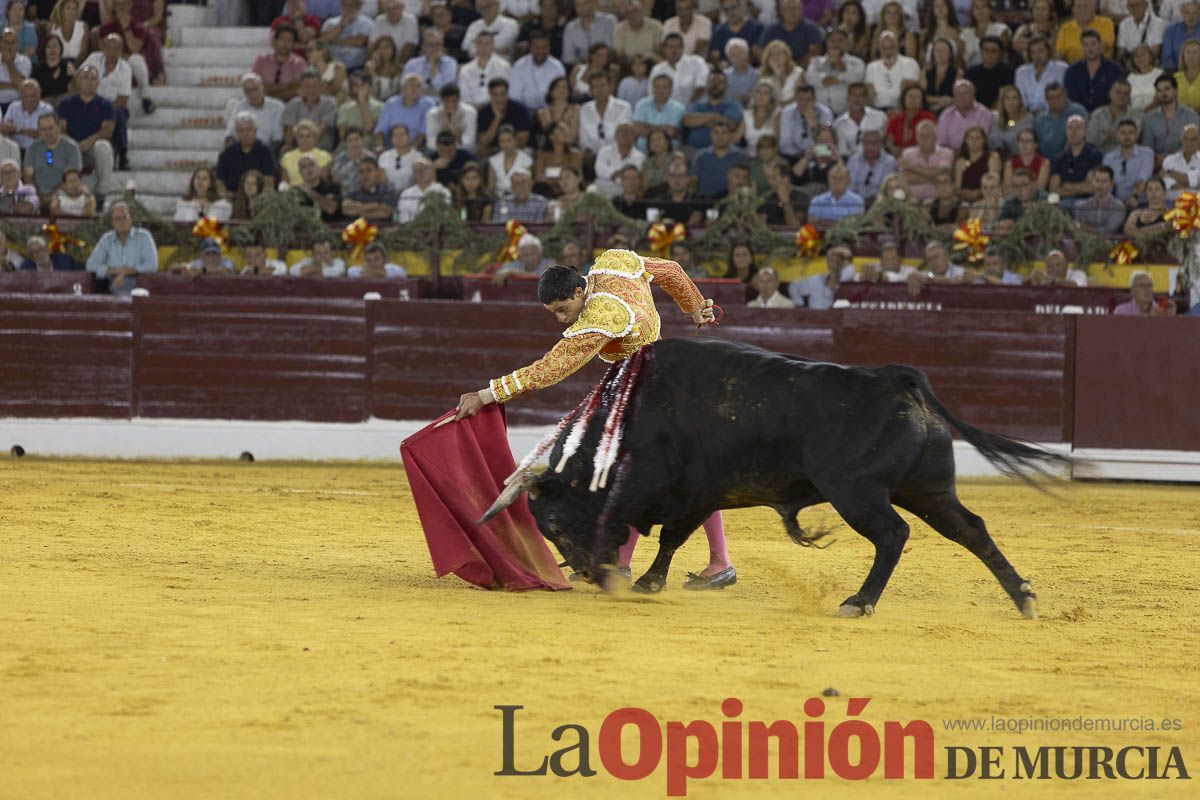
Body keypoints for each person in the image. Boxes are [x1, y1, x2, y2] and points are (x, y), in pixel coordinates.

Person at [452, 251, 735, 589]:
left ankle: (697, 563)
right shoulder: (613, 262)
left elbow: (550, 369)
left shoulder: (601, 317)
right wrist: (694, 308)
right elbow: (669, 270)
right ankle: (656, 563)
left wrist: (486, 394)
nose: (560, 319)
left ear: (577, 292)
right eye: (553, 313)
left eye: (562, 309)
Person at [55, 64, 114, 201]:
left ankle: (101, 194)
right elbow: (61, 128)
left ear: (98, 82)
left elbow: (108, 129)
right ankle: (56, 191)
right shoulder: (65, 104)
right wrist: (74, 145)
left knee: (104, 147)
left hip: (92, 147)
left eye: (93, 78)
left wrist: (89, 141)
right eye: (85, 77)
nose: (89, 82)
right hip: (70, 146)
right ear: (78, 81)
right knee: (50, 153)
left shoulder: (106, 105)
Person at [85, 201, 157, 293]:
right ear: (113, 222)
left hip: (139, 282)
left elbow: (152, 265)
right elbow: (90, 265)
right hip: (111, 281)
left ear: (131, 219)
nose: (121, 221)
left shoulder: (144, 236)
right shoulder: (107, 239)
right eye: (117, 218)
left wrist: (126, 272)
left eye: (124, 217)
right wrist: (115, 271)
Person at [22, 112, 81, 201]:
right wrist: (36, 195)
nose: (47, 133)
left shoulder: (72, 147)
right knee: (23, 209)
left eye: (51, 128)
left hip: (64, 193)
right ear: (39, 131)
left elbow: (70, 179)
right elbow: (28, 176)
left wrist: (51, 197)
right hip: (36, 194)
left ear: (59, 127)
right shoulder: (32, 147)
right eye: (43, 129)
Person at [807, 26, 864, 117]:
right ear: (826, 43)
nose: (836, 44)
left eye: (840, 40)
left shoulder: (856, 62)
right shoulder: (816, 61)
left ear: (847, 42)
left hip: (846, 113)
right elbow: (811, 79)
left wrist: (837, 61)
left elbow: (855, 79)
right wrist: (841, 79)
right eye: (832, 41)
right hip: (821, 113)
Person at [217, 112, 280, 194]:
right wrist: (226, 195)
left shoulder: (265, 151)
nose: (245, 134)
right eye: (241, 130)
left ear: (255, 130)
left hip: (258, 198)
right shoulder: (226, 154)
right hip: (232, 197)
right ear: (236, 133)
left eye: (249, 130)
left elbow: (269, 180)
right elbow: (219, 181)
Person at [1050, 115, 1104, 209]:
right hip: (1063, 203)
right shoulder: (1059, 157)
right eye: (1070, 128)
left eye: (1078, 127)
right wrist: (1079, 188)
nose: (1073, 132)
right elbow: (1054, 189)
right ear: (1066, 131)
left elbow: (1091, 188)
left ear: (1085, 131)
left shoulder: (1094, 154)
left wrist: (1067, 185)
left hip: (1087, 203)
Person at [1064, 29, 1122, 115]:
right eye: (1086, 45)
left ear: (1100, 45)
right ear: (1082, 48)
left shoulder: (1113, 69)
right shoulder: (1072, 71)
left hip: (1106, 115)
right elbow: (1070, 99)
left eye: (1093, 44)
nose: (1090, 48)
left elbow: (1116, 97)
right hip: (1079, 115)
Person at [282, 68, 339, 151]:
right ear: (301, 87)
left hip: (322, 150)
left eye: (314, 86)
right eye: (307, 87)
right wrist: (289, 146)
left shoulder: (329, 103)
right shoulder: (293, 104)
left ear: (320, 86)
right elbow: (290, 131)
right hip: (297, 149)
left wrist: (306, 148)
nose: (311, 90)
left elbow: (321, 130)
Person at [1142, 74, 1200, 155]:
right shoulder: (1149, 118)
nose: (1163, 93)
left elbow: (1195, 144)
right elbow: (1147, 146)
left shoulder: (1190, 116)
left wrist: (1171, 159)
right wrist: (1156, 158)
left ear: (1176, 90)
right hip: (1156, 162)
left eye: (1167, 89)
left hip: (1184, 161)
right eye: (1159, 90)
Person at [691, 118, 749, 198]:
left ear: (730, 135)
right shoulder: (701, 156)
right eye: (716, 132)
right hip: (705, 201)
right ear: (711, 135)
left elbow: (747, 182)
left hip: (732, 202)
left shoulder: (741, 156)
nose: (719, 136)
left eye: (724, 133)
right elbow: (694, 181)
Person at [226, 73, 287, 149]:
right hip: (242, 150)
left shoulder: (278, 107)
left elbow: (277, 137)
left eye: (255, 89)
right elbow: (230, 133)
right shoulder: (239, 107)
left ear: (262, 87)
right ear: (244, 93)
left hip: (267, 150)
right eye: (248, 91)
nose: (253, 93)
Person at [899, 119, 954, 202]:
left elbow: (942, 173)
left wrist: (911, 167)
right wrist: (933, 179)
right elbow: (905, 178)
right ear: (916, 137)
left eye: (928, 136)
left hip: (937, 201)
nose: (924, 139)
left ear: (935, 137)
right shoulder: (907, 153)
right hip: (912, 200)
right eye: (921, 136)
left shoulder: (946, 153)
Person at [864, 29, 918, 111]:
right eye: (884, 48)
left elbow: (909, 91)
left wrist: (897, 110)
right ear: (878, 47)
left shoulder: (909, 63)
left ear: (898, 46)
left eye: (891, 47)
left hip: (902, 109)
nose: (888, 51)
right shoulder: (871, 67)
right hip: (877, 110)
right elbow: (869, 95)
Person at [650, 32, 709, 107]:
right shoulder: (657, 69)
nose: (674, 50)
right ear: (664, 49)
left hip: (693, 110)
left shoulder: (696, 62)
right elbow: (652, 94)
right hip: (666, 112)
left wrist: (688, 107)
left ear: (683, 48)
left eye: (677, 47)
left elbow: (701, 87)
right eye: (670, 47)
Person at [1103, 119, 1153, 204]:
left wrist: (1135, 197)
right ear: (1117, 135)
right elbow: (1105, 182)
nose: (1127, 137)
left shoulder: (1147, 154)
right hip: (1114, 203)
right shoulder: (1109, 158)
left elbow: (1143, 179)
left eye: (1131, 133)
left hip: (1140, 202)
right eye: (1123, 133)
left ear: (1137, 135)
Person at [757, 0, 824, 64]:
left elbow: (815, 52)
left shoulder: (811, 28)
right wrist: (773, 66)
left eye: (796, 8)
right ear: (782, 11)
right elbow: (761, 50)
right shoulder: (771, 28)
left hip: (803, 68)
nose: (792, 12)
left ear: (802, 10)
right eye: (788, 8)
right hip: (775, 69)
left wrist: (793, 68)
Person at [1034, 82, 1089, 160]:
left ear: (1066, 95)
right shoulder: (1040, 120)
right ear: (1046, 100)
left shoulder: (1078, 111)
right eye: (1052, 98)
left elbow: (1083, 136)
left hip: (1073, 159)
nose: (1056, 100)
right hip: (1046, 162)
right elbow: (1037, 144)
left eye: (1059, 96)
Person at [460, 30, 512, 110]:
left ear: (493, 45)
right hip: (472, 110)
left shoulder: (504, 66)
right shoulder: (465, 70)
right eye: (480, 43)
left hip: (497, 108)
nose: (483, 47)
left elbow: (508, 92)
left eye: (487, 43)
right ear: (475, 45)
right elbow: (463, 96)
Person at [255, 23, 308, 101]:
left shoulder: (300, 63)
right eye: (282, 39)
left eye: (289, 40)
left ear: (294, 44)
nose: (285, 44)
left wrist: (268, 90)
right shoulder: (261, 60)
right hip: (262, 106)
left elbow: (295, 91)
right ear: (275, 41)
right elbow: (256, 87)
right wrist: (285, 86)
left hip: (289, 106)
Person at [1017, 38, 1069, 115]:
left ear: (1048, 51)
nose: (1037, 56)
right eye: (1033, 52)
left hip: (1054, 113)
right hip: (1027, 115)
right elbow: (1020, 97)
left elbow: (1064, 95)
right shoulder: (1021, 72)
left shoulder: (1061, 68)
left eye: (1040, 51)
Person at [319, 0, 373, 72]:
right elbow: (323, 40)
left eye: (351, 6)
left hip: (356, 67)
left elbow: (359, 41)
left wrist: (333, 40)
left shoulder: (367, 22)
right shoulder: (330, 22)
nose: (348, 8)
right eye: (345, 5)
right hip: (331, 66)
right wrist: (341, 25)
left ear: (358, 7)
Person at [561, 0, 616, 67]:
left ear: (593, 3)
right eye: (578, 5)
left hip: (607, 66)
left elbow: (612, 50)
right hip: (582, 69)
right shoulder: (570, 28)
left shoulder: (609, 21)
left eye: (585, 3)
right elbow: (568, 58)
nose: (582, 8)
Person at [341, 155, 398, 219]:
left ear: (378, 171)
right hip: (357, 228)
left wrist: (359, 210)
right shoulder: (354, 190)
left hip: (383, 227)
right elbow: (346, 209)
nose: (365, 174)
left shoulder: (388, 189)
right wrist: (376, 205)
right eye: (361, 172)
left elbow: (385, 213)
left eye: (369, 170)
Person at [396, 155, 451, 221]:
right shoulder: (406, 193)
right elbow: (403, 215)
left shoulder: (443, 191)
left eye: (425, 168)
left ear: (433, 172)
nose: (421, 172)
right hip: (411, 228)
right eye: (417, 170)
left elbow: (442, 215)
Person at [2, 79, 53, 151]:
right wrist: (7, 128)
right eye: (25, 96)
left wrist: (17, 129)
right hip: (16, 151)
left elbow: (46, 135)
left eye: (33, 95)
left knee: (50, 160)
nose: (29, 99)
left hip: (40, 150)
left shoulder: (47, 109)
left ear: (39, 94)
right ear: (20, 95)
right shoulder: (13, 107)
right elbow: (4, 130)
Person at [292, 154, 343, 222]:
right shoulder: (295, 191)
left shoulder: (332, 187)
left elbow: (331, 208)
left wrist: (310, 193)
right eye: (304, 167)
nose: (308, 169)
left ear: (318, 168)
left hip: (330, 227)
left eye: (311, 165)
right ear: (300, 173)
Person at [280, 119, 332, 185]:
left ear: (314, 138)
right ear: (296, 138)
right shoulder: (287, 157)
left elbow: (322, 181)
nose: (304, 139)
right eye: (301, 136)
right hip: (293, 193)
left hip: (315, 192)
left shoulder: (324, 156)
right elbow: (284, 183)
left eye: (308, 136)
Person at [1117, 0, 1167, 68]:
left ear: (1145, 5)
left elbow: (1156, 51)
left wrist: (1141, 62)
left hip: (1150, 65)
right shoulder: (1124, 24)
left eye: (1138, 5)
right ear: (1127, 7)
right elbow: (1121, 51)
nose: (1134, 8)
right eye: (1131, 6)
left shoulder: (1157, 23)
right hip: (1130, 64)